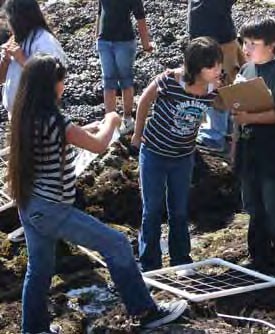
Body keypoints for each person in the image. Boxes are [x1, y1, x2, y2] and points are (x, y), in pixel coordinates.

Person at [7, 54, 187, 334]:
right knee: (116, 245)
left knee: (39, 270)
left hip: (30, 206)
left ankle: (33, 329)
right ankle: (145, 311)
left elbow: (73, 134)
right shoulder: (54, 119)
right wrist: (113, 120)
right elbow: (99, 146)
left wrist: (95, 124)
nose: (64, 85)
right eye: (61, 81)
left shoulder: (26, 115)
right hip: (53, 209)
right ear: (50, 85)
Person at [131, 37, 222, 273]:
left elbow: (227, 107)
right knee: (152, 210)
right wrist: (137, 133)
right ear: (195, 67)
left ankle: (181, 259)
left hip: (183, 156)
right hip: (154, 152)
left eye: (218, 64)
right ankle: (149, 263)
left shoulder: (214, 88)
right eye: (211, 66)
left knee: (179, 210)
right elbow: (144, 101)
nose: (217, 70)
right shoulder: (171, 79)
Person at [232, 17, 275, 272]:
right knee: (253, 206)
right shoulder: (244, 71)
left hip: (274, 155)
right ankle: (259, 255)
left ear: (272, 44)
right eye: (244, 42)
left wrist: (249, 117)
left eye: (253, 43)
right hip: (248, 151)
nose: (246, 48)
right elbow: (237, 113)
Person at [187, 0, 245, 152]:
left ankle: (215, 136)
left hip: (220, 37)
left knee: (219, 86)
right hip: (207, 36)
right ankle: (224, 130)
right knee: (215, 84)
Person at [0, 0, 66, 118]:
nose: (8, 25)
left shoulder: (45, 42)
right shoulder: (16, 39)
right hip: (16, 117)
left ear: (20, 19)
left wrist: (22, 59)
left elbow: (54, 80)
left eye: (9, 20)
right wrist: (5, 61)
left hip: (38, 117)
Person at [96, 0, 153, 135]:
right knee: (108, 81)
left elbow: (140, 17)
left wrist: (146, 44)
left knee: (125, 80)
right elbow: (100, 11)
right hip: (104, 41)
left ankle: (127, 118)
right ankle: (110, 121)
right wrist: (97, 36)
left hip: (125, 42)